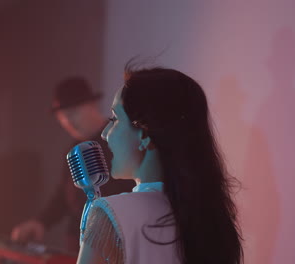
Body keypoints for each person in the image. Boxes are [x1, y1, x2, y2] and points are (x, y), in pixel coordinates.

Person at [76, 64, 244, 264]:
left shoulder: (112, 214)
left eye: (115, 119)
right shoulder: (215, 221)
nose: (105, 134)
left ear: (145, 134)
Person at [11, 77, 134, 253]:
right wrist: (41, 222)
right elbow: (64, 194)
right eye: (63, 116)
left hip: (115, 241)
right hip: (80, 241)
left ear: (92, 105)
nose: (69, 121)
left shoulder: (117, 141)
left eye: (73, 112)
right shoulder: (73, 150)